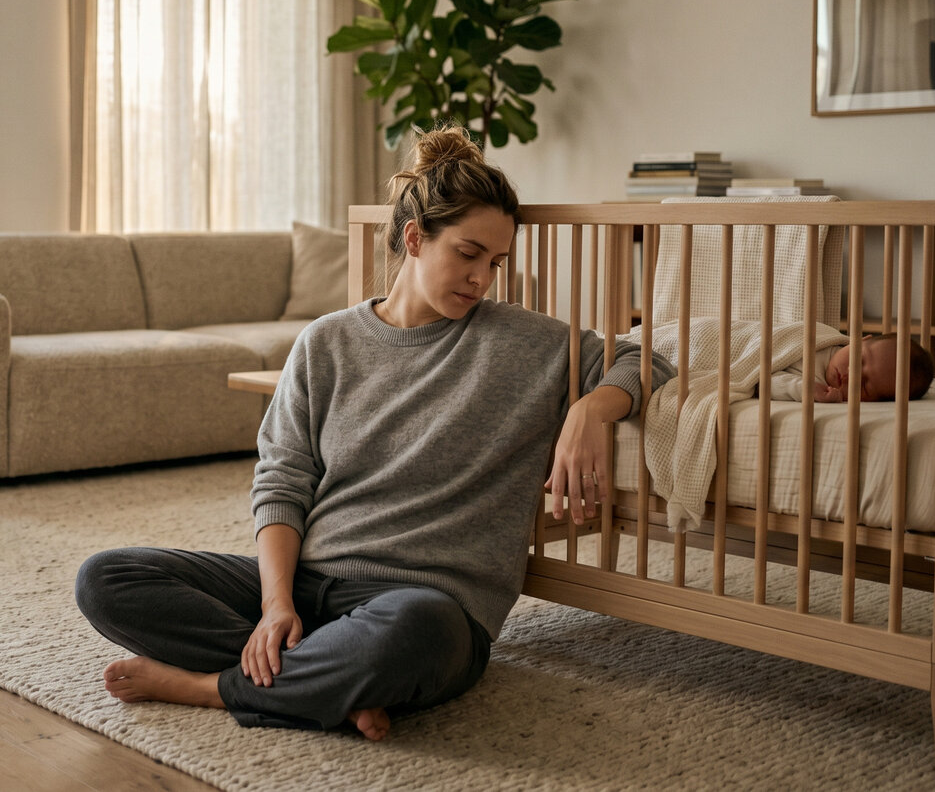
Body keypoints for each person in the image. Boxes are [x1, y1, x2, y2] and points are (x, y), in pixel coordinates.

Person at [74, 127, 675, 741]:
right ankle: (328, 682)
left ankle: (213, 688)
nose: (482, 278)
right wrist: (276, 603)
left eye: (495, 262)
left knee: (416, 635)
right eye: (468, 254)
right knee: (106, 578)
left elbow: (647, 359)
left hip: (426, 604)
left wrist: (590, 411)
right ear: (415, 238)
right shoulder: (326, 342)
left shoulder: (529, 343)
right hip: (311, 584)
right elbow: (282, 480)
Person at [770, 332, 935, 402]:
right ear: (861, 340)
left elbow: (764, 381)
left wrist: (806, 390)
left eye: (864, 385)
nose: (851, 375)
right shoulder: (825, 337)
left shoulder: (817, 384)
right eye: (859, 360)